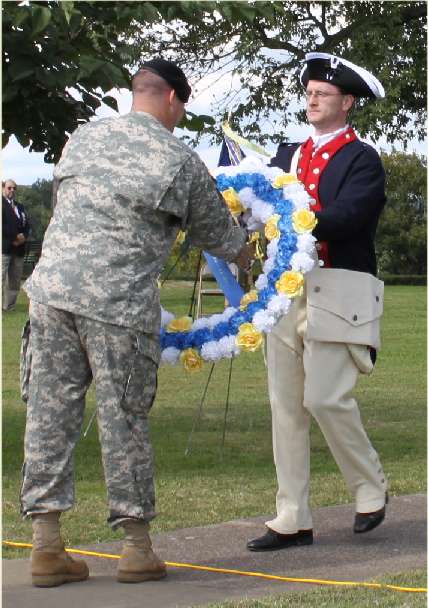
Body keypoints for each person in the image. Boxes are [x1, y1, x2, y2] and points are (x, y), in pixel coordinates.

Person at [20, 57, 251, 587]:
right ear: (174, 99)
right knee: (123, 419)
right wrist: (254, 259)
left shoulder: (81, 139)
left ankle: (46, 545)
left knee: (48, 416)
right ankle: (135, 548)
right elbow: (220, 236)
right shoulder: (180, 158)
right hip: (119, 306)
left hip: (51, 294)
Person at [247, 52, 388, 552]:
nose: (312, 97)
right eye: (309, 91)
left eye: (323, 93)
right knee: (285, 406)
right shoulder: (287, 155)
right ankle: (292, 516)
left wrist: (292, 220)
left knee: (324, 397)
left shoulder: (362, 159)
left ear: (347, 103)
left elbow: (349, 216)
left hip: (337, 290)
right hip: (285, 291)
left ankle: (370, 485)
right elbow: (263, 205)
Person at [2, 179, 30, 311]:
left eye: (14, 188)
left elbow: (27, 224)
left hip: (19, 249)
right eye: (9, 188)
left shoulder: (20, 206)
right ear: (3, 188)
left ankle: (9, 306)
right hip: (5, 247)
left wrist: (24, 236)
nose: (12, 190)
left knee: (14, 281)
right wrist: (14, 237)